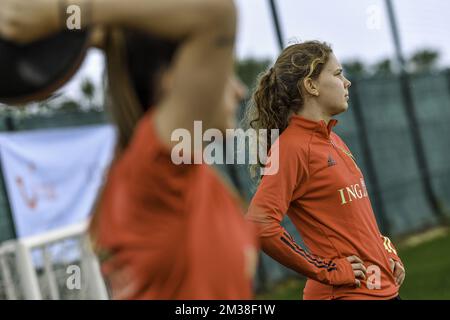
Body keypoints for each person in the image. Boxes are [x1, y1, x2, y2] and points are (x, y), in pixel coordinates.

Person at [0, 0, 257, 299]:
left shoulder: (188, 178)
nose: (239, 90)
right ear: (171, 82)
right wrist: (64, 11)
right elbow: (218, 14)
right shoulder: (156, 175)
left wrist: (85, 30)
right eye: (221, 72)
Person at [244, 41, 405, 300]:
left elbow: (356, 220)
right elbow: (260, 223)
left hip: (382, 289)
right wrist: (326, 269)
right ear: (311, 85)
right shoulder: (292, 148)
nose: (347, 82)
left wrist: (386, 251)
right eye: (338, 74)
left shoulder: (333, 139)